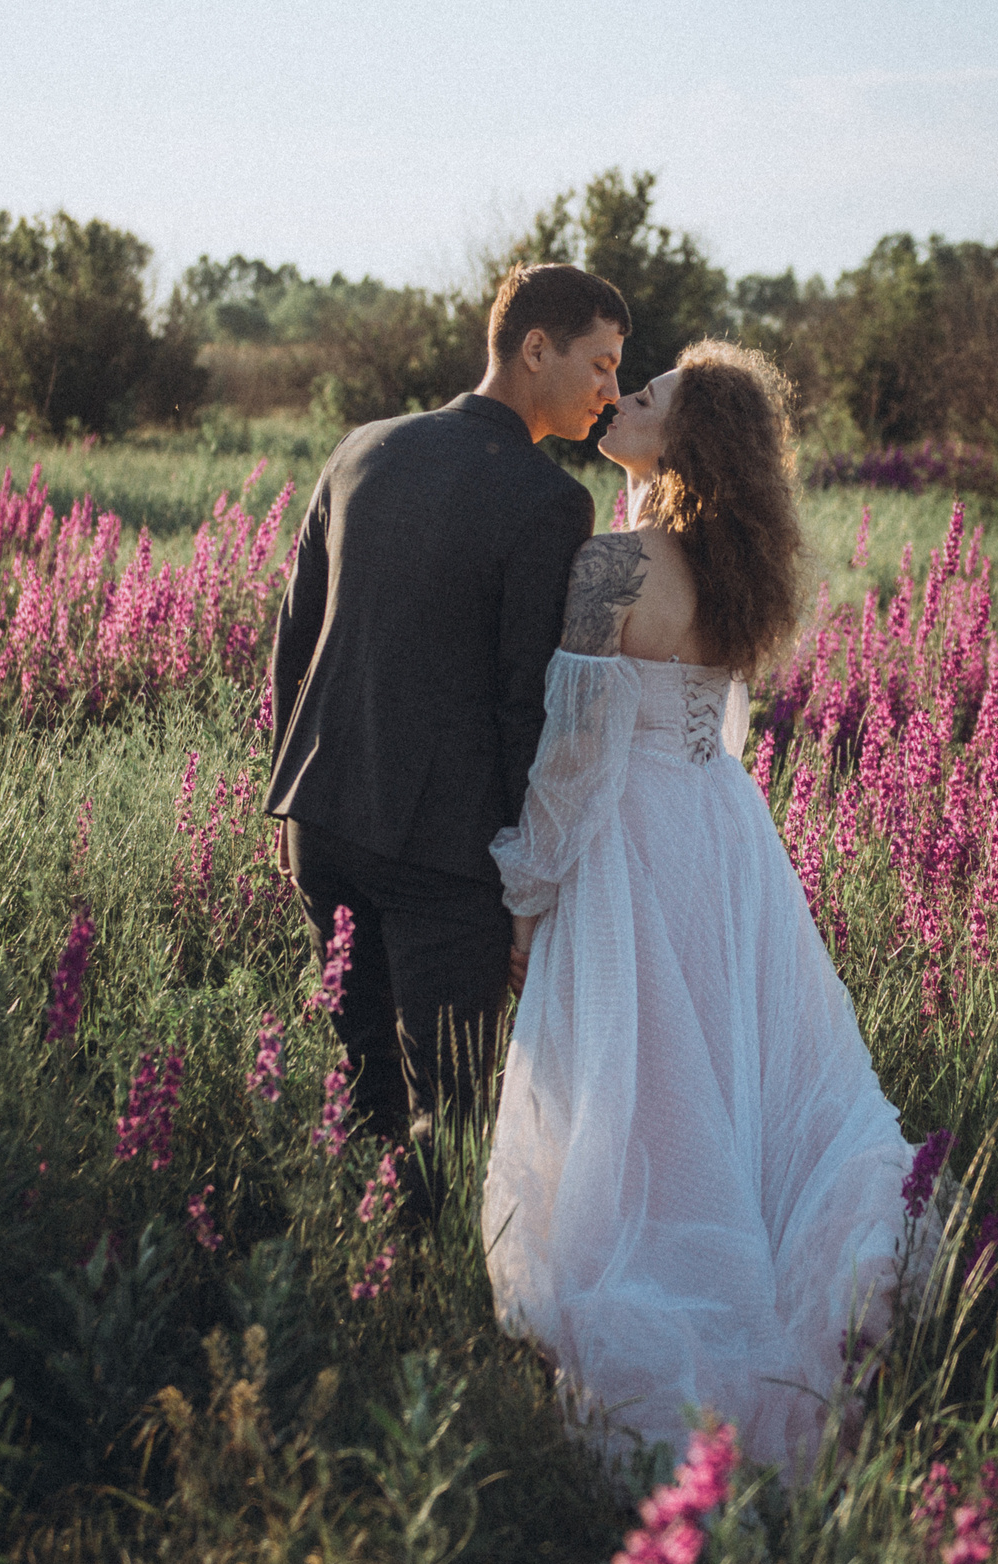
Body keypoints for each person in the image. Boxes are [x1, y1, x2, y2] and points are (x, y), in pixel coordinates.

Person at [485, 340, 919, 1472]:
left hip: (629, 841)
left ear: (686, 441)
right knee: (718, 1075)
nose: (623, 398)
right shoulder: (725, 567)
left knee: (637, 1089)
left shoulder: (613, 565)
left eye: (650, 395)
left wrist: (524, 898)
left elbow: (574, 761)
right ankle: (771, 1284)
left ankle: (675, 1323)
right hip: (722, 841)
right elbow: (711, 734)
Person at [267, 263, 629, 1229]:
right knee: (453, 1108)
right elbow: (527, 704)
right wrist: (526, 875)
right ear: (534, 348)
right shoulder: (549, 502)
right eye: (598, 363)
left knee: (360, 1081)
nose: (609, 389)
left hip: (322, 817)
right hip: (445, 852)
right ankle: (408, 1293)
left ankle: (344, 1258)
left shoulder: (362, 448)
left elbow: (293, 637)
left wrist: (283, 788)